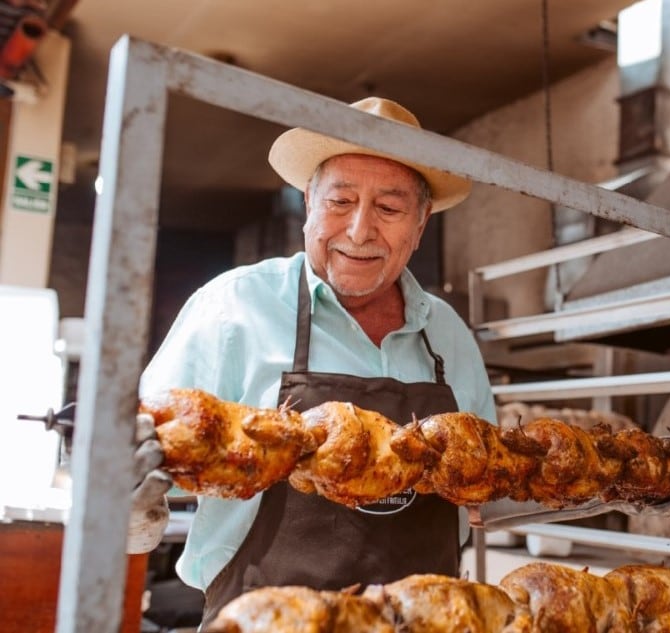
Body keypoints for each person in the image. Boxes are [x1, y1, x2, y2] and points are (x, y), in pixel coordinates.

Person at [131, 97, 495, 625]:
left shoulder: (450, 335)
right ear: (309, 202)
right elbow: (134, 462)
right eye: (341, 201)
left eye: (389, 210)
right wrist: (134, 502)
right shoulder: (234, 308)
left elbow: (489, 485)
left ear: (420, 226)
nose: (359, 230)